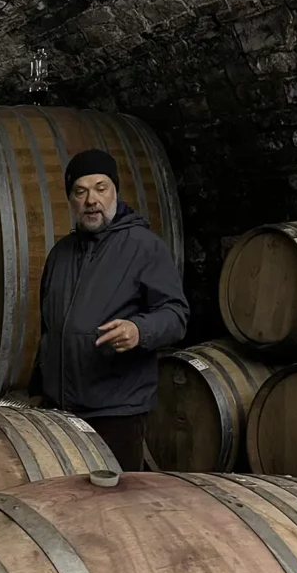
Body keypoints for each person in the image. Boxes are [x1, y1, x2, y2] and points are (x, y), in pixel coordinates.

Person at [28, 147, 188, 471]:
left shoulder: (144, 246)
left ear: (115, 191)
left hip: (115, 411)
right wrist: (37, 389)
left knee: (114, 510)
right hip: (59, 410)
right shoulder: (60, 254)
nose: (91, 200)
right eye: (81, 191)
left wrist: (139, 330)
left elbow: (176, 314)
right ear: (71, 199)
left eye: (101, 188)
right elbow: (50, 329)